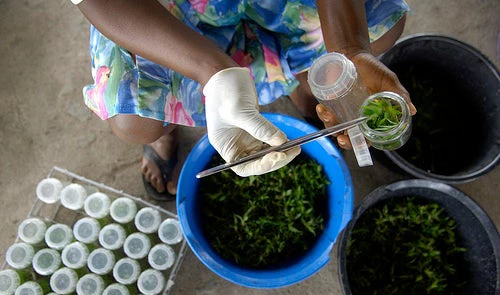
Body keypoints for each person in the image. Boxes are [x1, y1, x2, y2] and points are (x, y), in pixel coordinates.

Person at [72, 0, 416, 201]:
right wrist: (214, 72)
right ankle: (165, 126)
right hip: (163, 11)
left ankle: (304, 74)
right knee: (136, 122)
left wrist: (348, 50)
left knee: (384, 24)